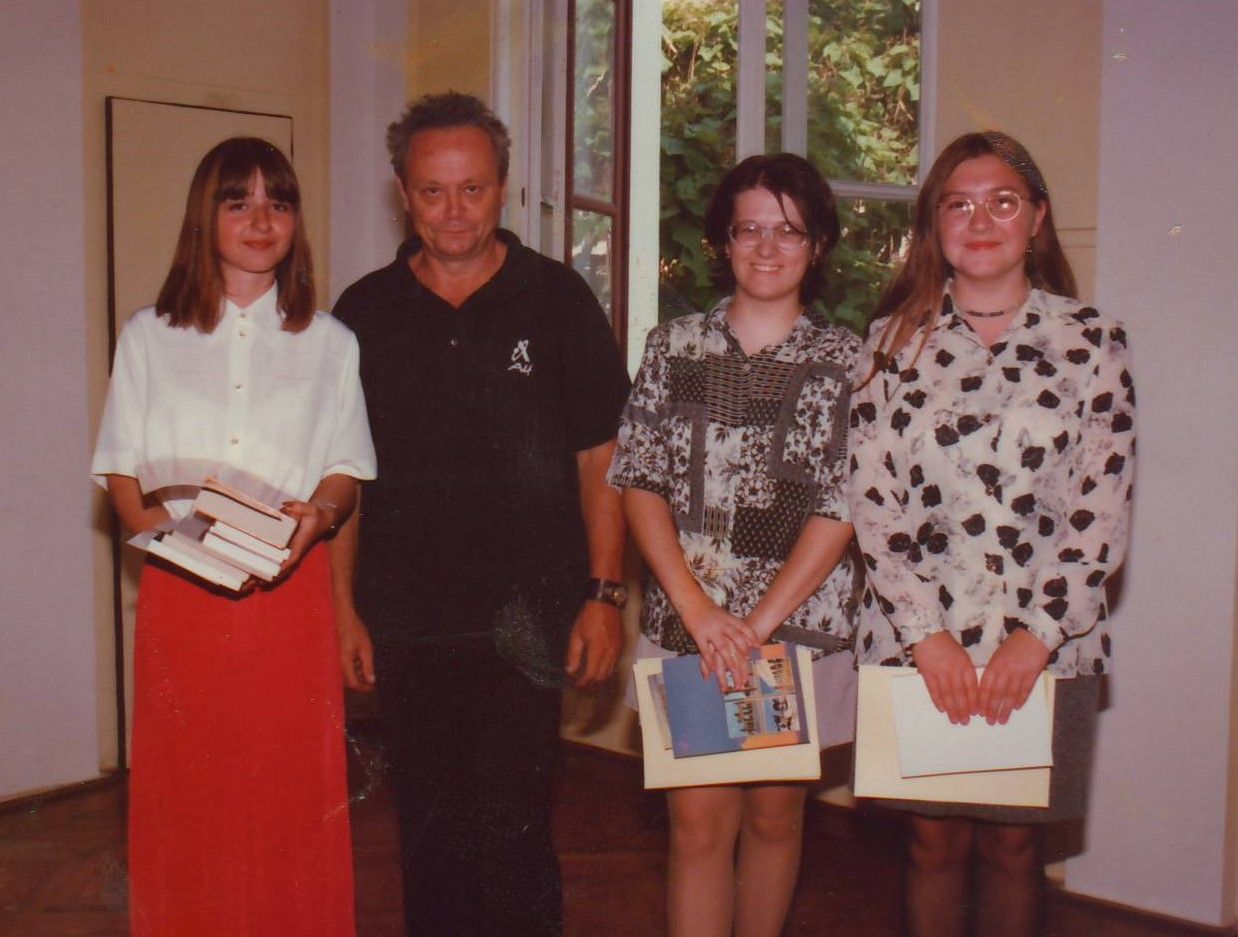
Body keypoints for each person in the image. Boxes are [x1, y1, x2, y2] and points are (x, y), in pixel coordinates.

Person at [329, 92, 631, 937]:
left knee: (515, 830)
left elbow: (603, 459)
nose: (454, 210)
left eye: (472, 188)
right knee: (428, 835)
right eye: (433, 191)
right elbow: (342, 478)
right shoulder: (362, 314)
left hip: (529, 619)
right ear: (403, 193)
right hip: (407, 620)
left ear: (503, 188)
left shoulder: (558, 299)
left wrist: (604, 595)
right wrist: (341, 607)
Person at [848, 131, 1136, 937]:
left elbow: (1102, 508)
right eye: (959, 204)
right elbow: (871, 499)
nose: (980, 221)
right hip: (916, 643)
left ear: (1037, 218)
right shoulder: (889, 343)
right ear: (934, 225)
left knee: (1016, 849)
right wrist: (927, 635)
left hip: (1048, 645)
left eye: (1002, 201)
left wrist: (1034, 637)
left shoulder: (1094, 342)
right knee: (932, 845)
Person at [91, 137, 376, 936]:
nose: (260, 220)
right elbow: (119, 472)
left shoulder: (331, 342)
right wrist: (171, 545)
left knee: (290, 789)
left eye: (278, 203)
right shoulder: (149, 334)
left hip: (290, 588)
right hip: (184, 592)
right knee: (190, 788)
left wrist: (319, 515)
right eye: (238, 201)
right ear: (204, 215)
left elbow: (347, 470)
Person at [609, 153, 860, 937]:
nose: (767, 246)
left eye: (789, 230)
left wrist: (754, 627)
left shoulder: (849, 362)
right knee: (697, 828)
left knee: (776, 819)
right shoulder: (673, 346)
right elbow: (639, 480)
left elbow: (842, 505)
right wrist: (700, 611)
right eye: (749, 228)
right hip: (690, 628)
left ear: (817, 244)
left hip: (794, 633)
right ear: (723, 240)